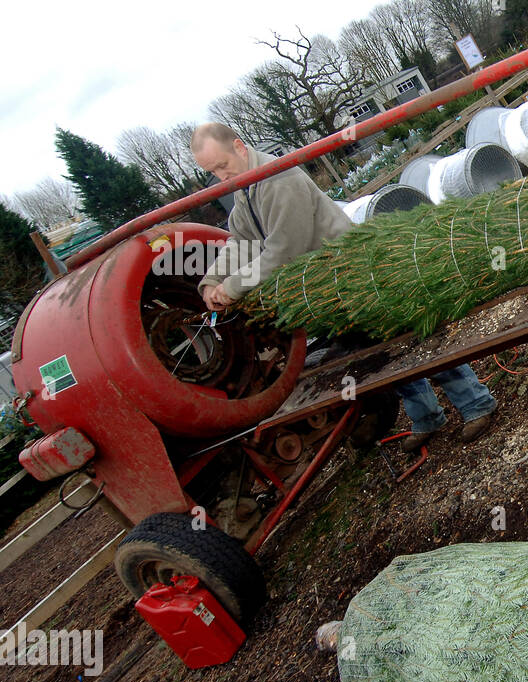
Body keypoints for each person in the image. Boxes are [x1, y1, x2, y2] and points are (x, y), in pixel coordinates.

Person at [190, 122, 496, 448]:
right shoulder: (246, 189)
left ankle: (475, 403)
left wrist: (234, 287)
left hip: (355, 275)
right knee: (379, 352)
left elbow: (283, 251)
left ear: (239, 147)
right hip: (328, 290)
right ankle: (426, 416)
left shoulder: (279, 179)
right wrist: (212, 281)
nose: (222, 177)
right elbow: (241, 243)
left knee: (412, 337)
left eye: (223, 166)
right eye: (214, 172)